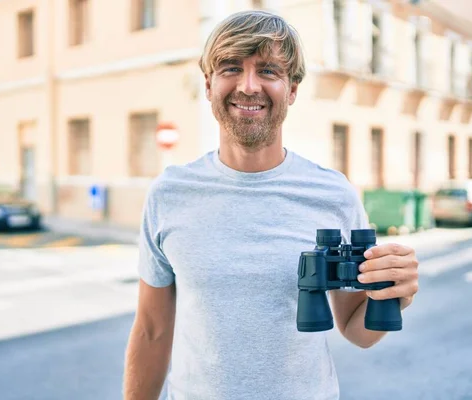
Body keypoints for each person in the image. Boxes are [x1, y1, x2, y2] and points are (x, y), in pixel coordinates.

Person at [123, 10, 419, 400]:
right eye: (230, 68)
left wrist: (394, 294)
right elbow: (151, 329)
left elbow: (354, 328)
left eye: (268, 71)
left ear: (292, 89)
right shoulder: (169, 193)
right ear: (209, 84)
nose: (248, 87)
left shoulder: (333, 194)